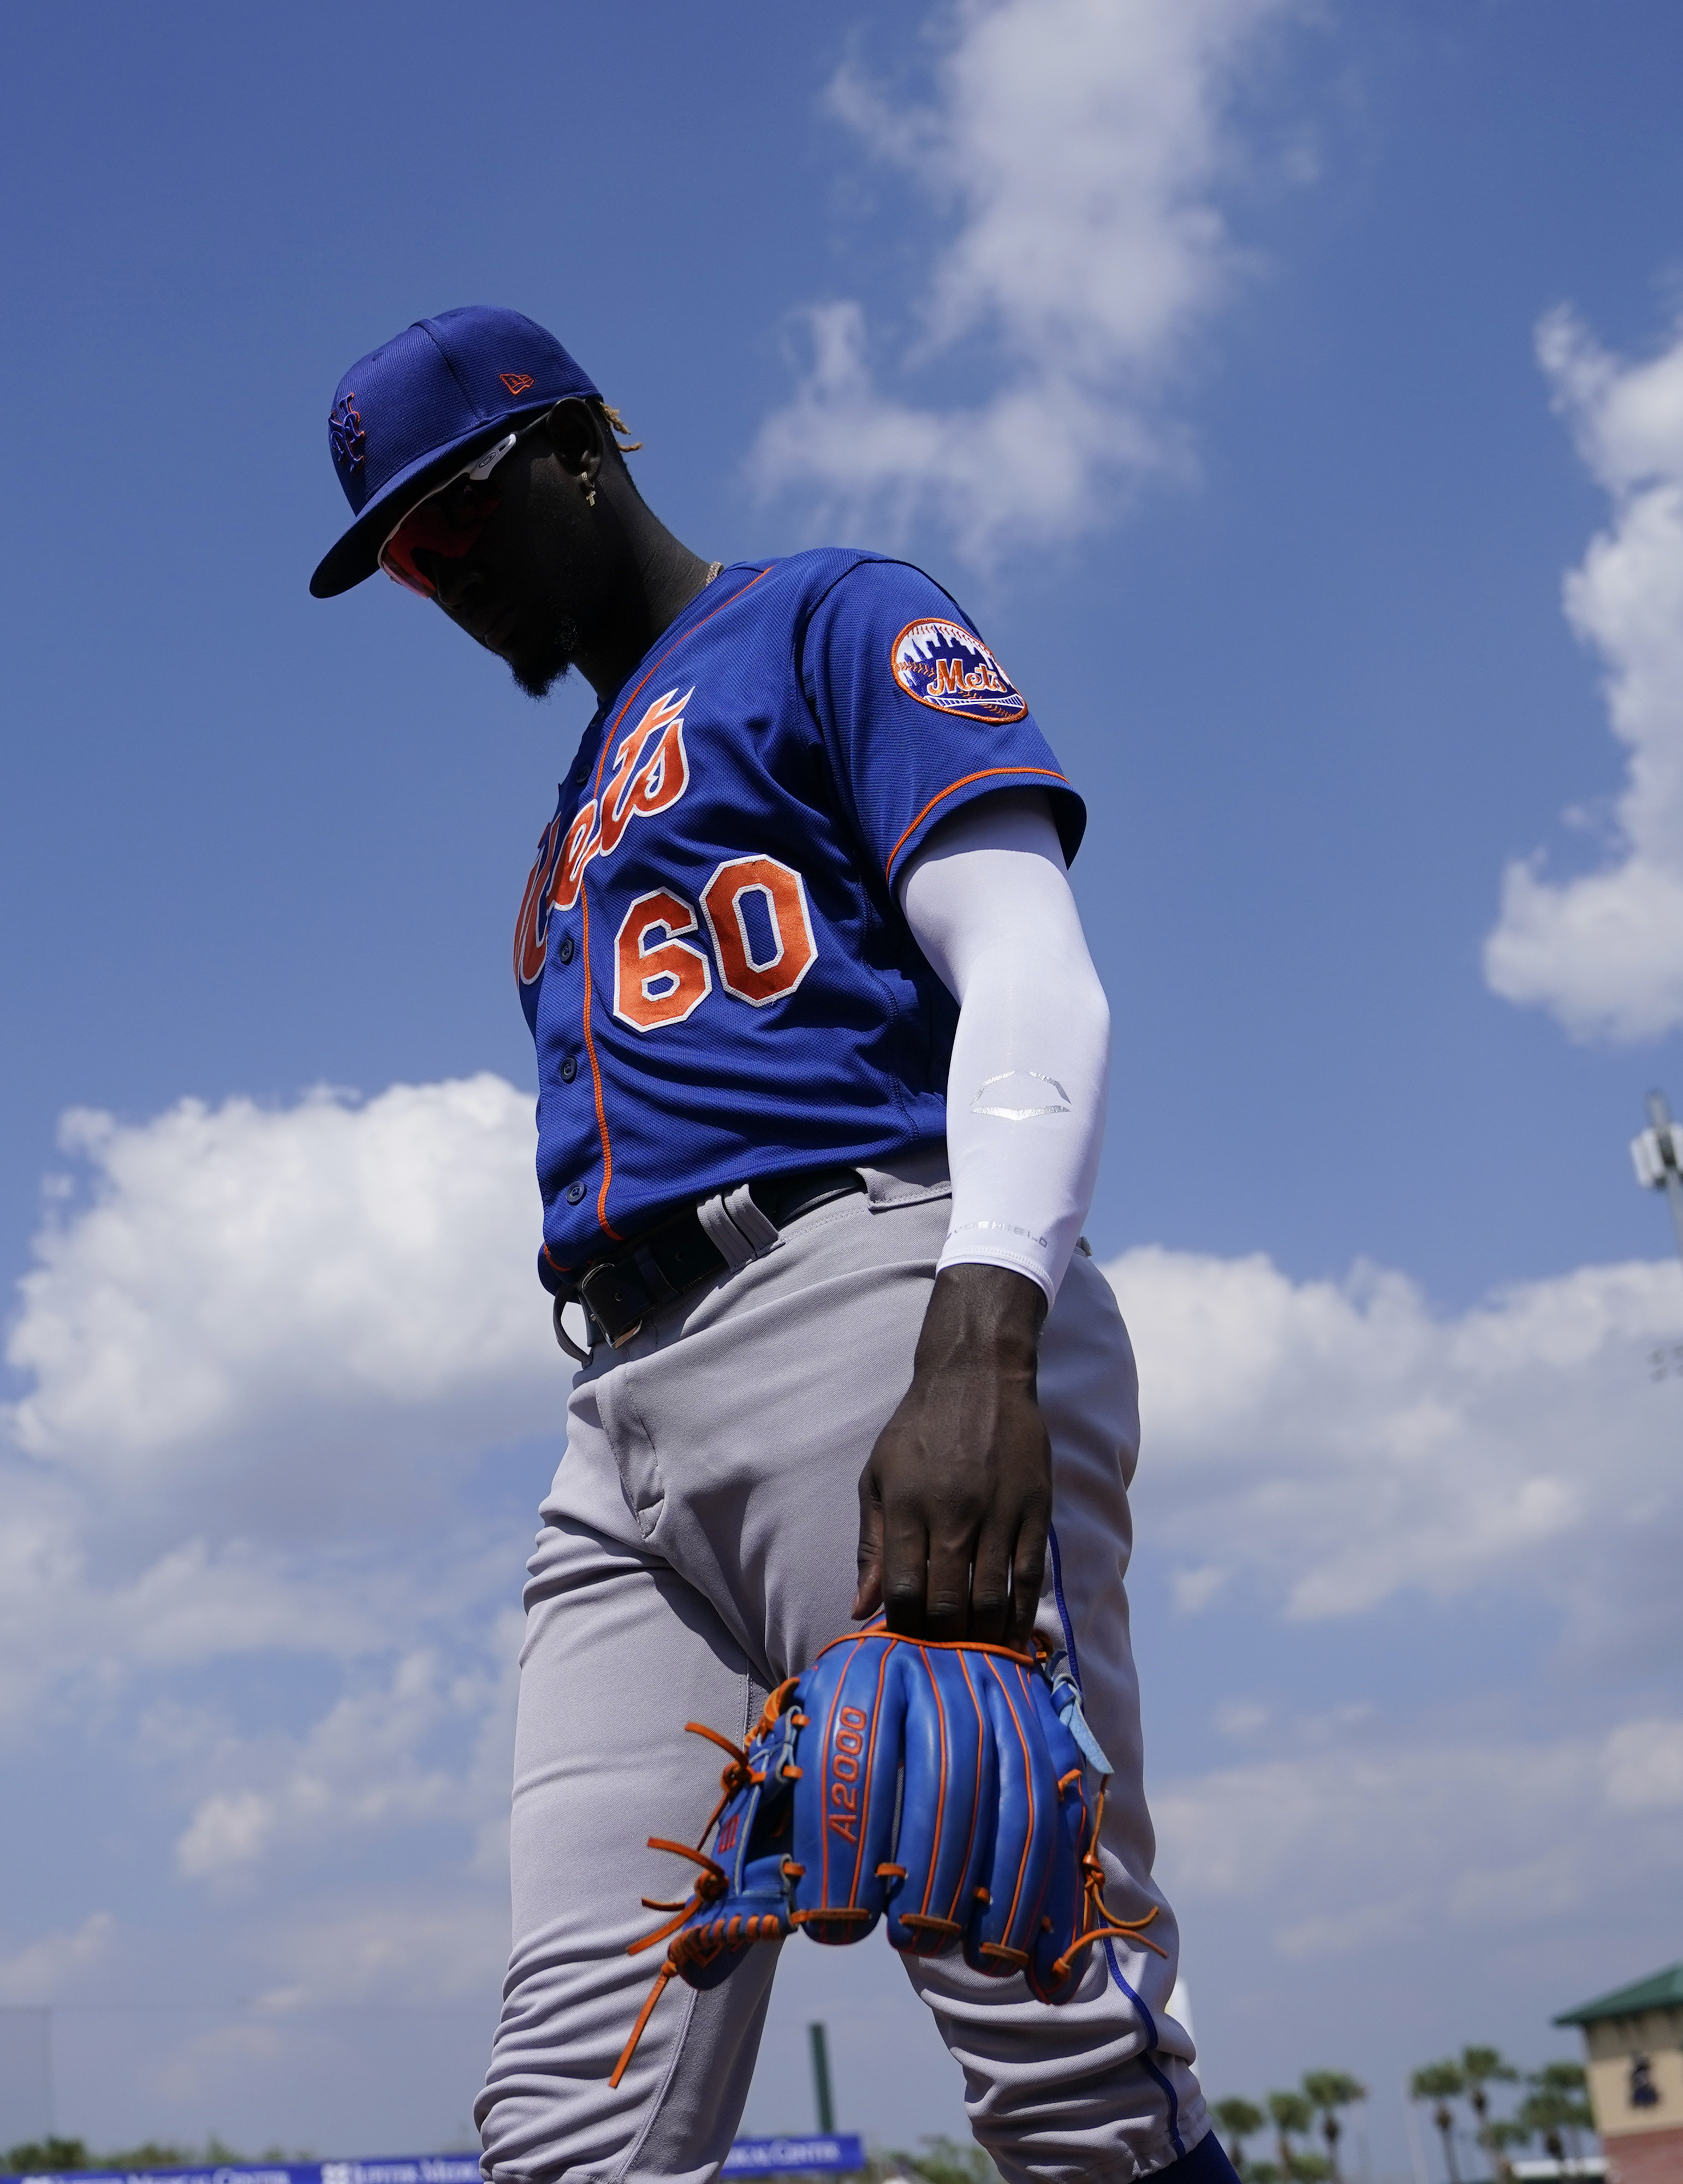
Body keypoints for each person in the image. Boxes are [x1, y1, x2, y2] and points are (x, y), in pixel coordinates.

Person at [309, 306, 1215, 2184]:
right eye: (403, 559)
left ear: (574, 446)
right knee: (569, 2114)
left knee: (1047, 2016)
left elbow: (1033, 970)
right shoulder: (570, 823)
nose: (441, 575)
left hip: (876, 1307)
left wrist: (982, 1341)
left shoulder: (831, 616)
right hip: (620, 1411)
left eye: (455, 518)